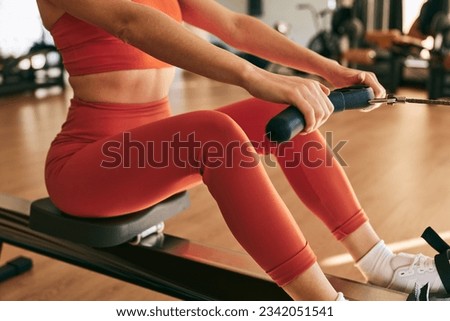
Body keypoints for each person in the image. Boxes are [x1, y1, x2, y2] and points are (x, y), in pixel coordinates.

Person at [36, 0, 448, 301]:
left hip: (151, 151)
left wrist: (327, 69)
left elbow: (235, 25)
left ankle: (380, 263)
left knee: (283, 109)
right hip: (88, 165)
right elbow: (130, 22)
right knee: (212, 132)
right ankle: (323, 307)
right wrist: (254, 77)